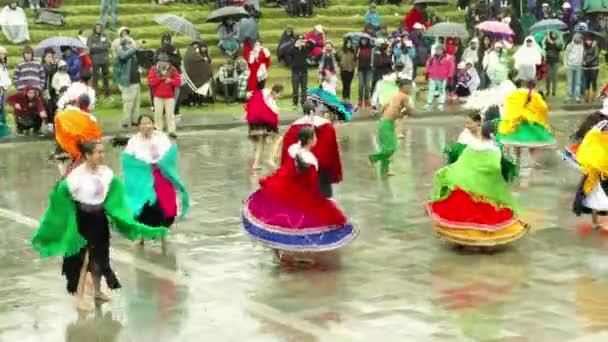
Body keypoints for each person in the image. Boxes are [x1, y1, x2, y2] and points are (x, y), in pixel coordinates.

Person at [31, 141, 168, 312]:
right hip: (83, 220)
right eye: (98, 152)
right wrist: (65, 220)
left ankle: (97, 291)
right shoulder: (76, 177)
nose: (102, 155)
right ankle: (79, 298)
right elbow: (61, 196)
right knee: (83, 260)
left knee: (99, 257)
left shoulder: (106, 173)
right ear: (87, 155)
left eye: (103, 152)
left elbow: (116, 195)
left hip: (99, 218)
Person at [241, 126, 356, 265]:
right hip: (298, 195)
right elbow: (312, 185)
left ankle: (279, 253)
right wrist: (323, 201)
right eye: (314, 137)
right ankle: (292, 255)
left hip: (281, 188)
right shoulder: (310, 160)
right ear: (309, 140)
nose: (316, 139)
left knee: (276, 223)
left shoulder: (293, 149)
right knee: (317, 221)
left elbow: (287, 170)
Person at [427, 120, 528, 248]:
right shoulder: (495, 149)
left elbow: (461, 162)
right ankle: (483, 244)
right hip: (480, 188)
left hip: (462, 182)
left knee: (462, 213)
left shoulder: (472, 145)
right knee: (485, 212)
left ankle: (460, 242)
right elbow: (496, 169)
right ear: (494, 133)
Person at [121, 115, 189, 248]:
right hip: (142, 177)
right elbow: (128, 161)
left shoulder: (161, 138)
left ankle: (163, 235)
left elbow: (169, 156)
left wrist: (165, 166)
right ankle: (141, 237)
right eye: (143, 124)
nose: (146, 126)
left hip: (161, 175)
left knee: (166, 205)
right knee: (143, 206)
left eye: (149, 123)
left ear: (153, 124)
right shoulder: (133, 142)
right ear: (138, 126)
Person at [279, 100, 342, 198]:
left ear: (303, 111)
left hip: (302, 171)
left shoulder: (294, 128)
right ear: (315, 109)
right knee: (324, 199)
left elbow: (287, 151)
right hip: (322, 170)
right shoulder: (327, 127)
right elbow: (332, 149)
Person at [497, 81, 556, 168]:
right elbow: (543, 107)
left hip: (517, 122)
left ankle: (517, 160)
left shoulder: (514, 94)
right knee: (533, 144)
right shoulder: (535, 95)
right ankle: (533, 161)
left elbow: (509, 107)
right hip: (531, 123)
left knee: (516, 143)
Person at [368, 79, 415, 177]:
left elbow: (386, 105)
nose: (411, 89)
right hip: (386, 123)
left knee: (388, 147)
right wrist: (410, 112)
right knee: (390, 148)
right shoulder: (404, 96)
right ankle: (373, 158)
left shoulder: (397, 95)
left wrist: (380, 113)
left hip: (386, 122)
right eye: (409, 87)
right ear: (403, 87)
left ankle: (384, 171)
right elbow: (410, 110)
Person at [572, 120, 608, 230]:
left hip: (597, 172)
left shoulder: (598, 130)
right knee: (595, 198)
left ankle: (595, 223)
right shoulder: (599, 133)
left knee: (595, 198)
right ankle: (595, 223)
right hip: (597, 172)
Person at [245, 84, 284, 170]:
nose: (279, 97)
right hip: (263, 124)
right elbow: (274, 121)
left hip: (255, 124)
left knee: (260, 144)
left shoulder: (267, 96)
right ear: (274, 91)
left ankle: (256, 164)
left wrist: (250, 94)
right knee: (277, 139)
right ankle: (271, 159)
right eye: (279, 94)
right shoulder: (268, 97)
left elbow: (253, 94)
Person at [148, 53, 181, 137]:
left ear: (167, 62)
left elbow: (178, 82)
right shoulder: (153, 69)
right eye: (161, 61)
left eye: (165, 62)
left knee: (170, 115)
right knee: (157, 115)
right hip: (158, 96)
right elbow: (151, 82)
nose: (163, 63)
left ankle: (171, 131)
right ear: (158, 62)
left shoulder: (173, 69)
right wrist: (160, 79)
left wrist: (171, 81)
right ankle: (158, 131)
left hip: (170, 97)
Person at [113, 36, 141, 128]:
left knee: (136, 103)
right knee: (128, 103)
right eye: (129, 43)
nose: (131, 45)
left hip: (136, 80)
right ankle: (125, 121)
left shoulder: (133, 53)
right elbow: (124, 56)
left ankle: (135, 121)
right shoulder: (121, 51)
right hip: (127, 82)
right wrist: (135, 47)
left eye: (131, 43)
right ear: (124, 44)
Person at [180, 40, 213, 107]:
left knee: (203, 88)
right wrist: (203, 59)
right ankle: (194, 100)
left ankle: (202, 100)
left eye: (197, 45)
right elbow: (190, 61)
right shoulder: (192, 53)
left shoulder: (206, 55)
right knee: (195, 87)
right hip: (194, 74)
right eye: (194, 45)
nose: (196, 46)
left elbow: (209, 64)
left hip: (204, 75)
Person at [425, 44, 453, 111]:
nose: (437, 51)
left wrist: (449, 76)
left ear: (443, 50)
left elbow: (451, 68)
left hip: (442, 78)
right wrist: (427, 73)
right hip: (432, 76)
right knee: (431, 90)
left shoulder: (447, 58)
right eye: (436, 49)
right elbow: (428, 65)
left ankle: (441, 104)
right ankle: (429, 103)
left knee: (441, 90)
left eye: (439, 49)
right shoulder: (432, 58)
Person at [87, 23, 111, 97]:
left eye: (99, 28)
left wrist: (96, 46)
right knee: (95, 77)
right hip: (95, 60)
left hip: (104, 59)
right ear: (94, 29)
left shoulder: (105, 36)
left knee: (106, 77)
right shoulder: (91, 37)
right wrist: (101, 47)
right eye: (96, 28)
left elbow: (108, 45)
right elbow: (90, 47)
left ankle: (107, 93)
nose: (98, 29)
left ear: (101, 28)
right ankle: (96, 94)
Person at [289, 35, 310, 107]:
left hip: (304, 72)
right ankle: (295, 103)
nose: (301, 41)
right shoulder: (293, 49)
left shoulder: (305, 49)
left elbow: (311, 46)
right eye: (299, 40)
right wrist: (295, 46)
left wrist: (305, 43)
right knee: (295, 90)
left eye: (302, 40)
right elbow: (289, 53)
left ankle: (303, 103)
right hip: (295, 72)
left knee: (304, 90)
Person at [542, 31, 563, 97]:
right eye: (552, 34)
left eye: (554, 34)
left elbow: (560, 48)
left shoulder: (558, 41)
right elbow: (544, 47)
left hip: (555, 61)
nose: (553, 35)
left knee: (554, 77)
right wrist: (546, 38)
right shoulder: (547, 40)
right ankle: (547, 91)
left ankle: (554, 91)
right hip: (548, 60)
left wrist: (553, 43)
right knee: (548, 77)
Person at [564, 33, 584, 102]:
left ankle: (577, 96)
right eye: (577, 38)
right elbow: (566, 55)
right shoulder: (570, 45)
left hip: (579, 66)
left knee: (578, 82)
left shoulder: (582, 46)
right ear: (574, 38)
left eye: (580, 38)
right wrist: (566, 64)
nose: (578, 39)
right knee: (569, 82)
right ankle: (569, 96)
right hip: (570, 66)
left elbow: (583, 55)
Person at [356, 36, 373, 110]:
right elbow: (356, 59)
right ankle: (360, 102)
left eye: (365, 40)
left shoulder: (371, 49)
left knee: (367, 86)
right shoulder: (358, 48)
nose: (363, 41)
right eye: (362, 40)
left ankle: (367, 101)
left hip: (369, 69)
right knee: (361, 86)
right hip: (360, 70)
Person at [337, 37, 356, 103]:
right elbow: (337, 58)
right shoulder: (341, 50)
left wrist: (354, 65)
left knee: (348, 84)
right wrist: (340, 65)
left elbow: (355, 59)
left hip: (351, 70)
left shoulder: (353, 50)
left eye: (350, 43)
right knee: (344, 84)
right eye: (347, 43)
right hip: (343, 70)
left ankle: (347, 98)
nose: (349, 44)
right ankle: (343, 98)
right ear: (345, 43)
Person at [582, 34, 599, 103]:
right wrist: (583, 61)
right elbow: (583, 55)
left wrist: (587, 62)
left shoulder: (595, 47)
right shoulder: (584, 47)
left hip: (594, 66)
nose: (588, 42)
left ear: (592, 40)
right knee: (587, 82)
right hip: (586, 67)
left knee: (593, 82)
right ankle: (586, 98)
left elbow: (595, 56)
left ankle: (592, 98)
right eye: (587, 40)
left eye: (589, 40)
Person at [0, 46, 9, 137]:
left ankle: (3, 127)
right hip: (0, 88)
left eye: (4, 54)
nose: (3, 55)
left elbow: (5, 76)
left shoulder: (4, 65)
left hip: (4, 88)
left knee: (3, 109)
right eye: (2, 53)